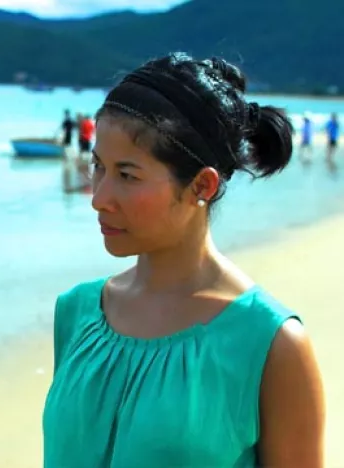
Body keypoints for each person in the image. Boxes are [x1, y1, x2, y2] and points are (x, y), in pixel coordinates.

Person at [43, 53, 324, 467]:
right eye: (98, 166)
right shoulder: (77, 314)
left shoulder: (269, 343)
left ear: (202, 186)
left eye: (127, 175)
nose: (99, 198)